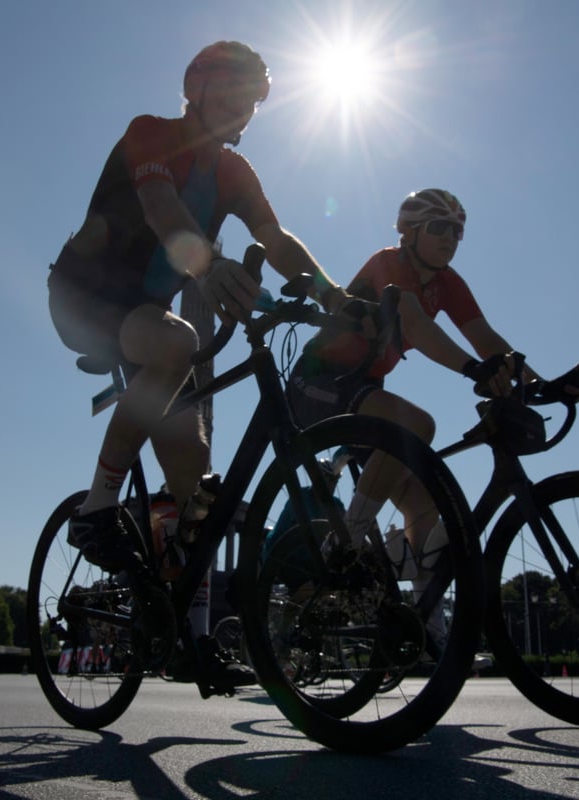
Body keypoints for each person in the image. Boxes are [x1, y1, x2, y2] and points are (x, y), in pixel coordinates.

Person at [47, 42, 355, 687]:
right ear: (196, 86)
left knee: (198, 488)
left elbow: (275, 238)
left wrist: (336, 297)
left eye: (250, 94)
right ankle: (98, 506)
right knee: (178, 342)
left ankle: (183, 636)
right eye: (227, 86)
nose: (238, 100)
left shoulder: (235, 173)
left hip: (149, 317)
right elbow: (163, 211)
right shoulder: (150, 133)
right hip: (85, 296)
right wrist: (210, 265)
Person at [286, 188, 548, 646]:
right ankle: (346, 543)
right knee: (419, 425)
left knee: (425, 508)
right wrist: (473, 370)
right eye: (440, 228)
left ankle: (428, 637)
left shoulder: (447, 282)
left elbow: (485, 336)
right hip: (320, 380)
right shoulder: (389, 263)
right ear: (410, 233)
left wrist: (540, 385)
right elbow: (414, 324)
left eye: (457, 231)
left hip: (365, 389)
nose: (451, 239)